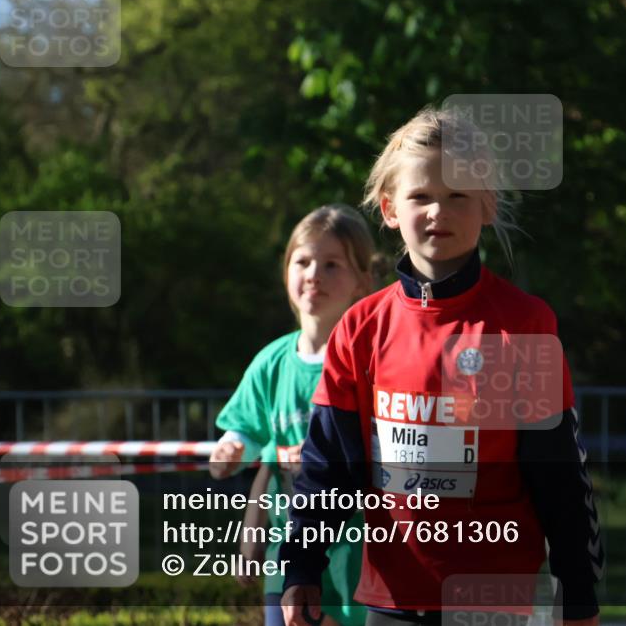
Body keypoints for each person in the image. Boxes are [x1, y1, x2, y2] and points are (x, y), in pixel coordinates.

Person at [278, 107, 603, 626]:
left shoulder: (524, 324)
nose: (438, 212)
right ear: (389, 208)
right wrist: (301, 566)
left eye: (458, 197)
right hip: (390, 596)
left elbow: (559, 475)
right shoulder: (360, 328)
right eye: (421, 196)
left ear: (487, 206)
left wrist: (579, 595)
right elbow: (327, 468)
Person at [210, 204, 377, 626]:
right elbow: (255, 449)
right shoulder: (271, 363)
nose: (314, 274)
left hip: (360, 554)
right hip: (286, 553)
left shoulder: (372, 361)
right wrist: (234, 451)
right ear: (286, 272)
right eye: (302, 261)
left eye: (332, 263)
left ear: (364, 281)